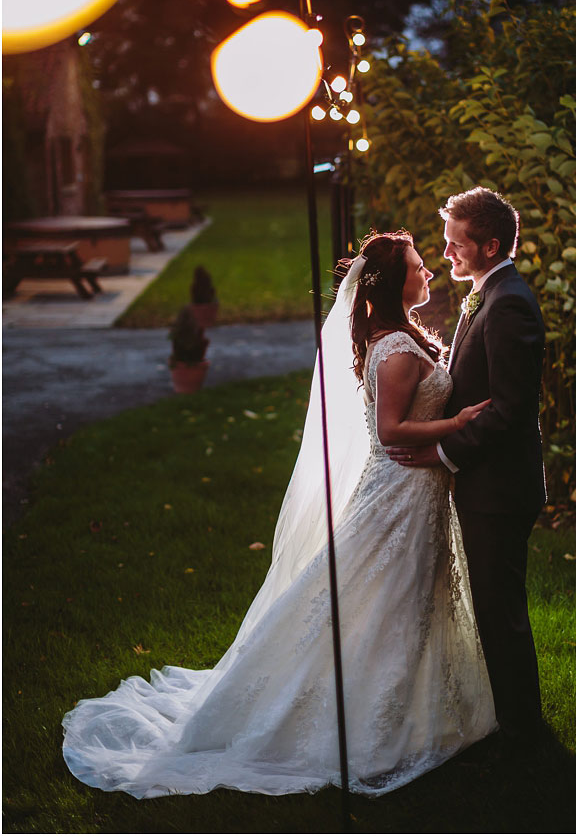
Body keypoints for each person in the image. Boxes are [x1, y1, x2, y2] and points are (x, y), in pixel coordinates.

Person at [62, 230, 498, 796]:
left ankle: (410, 712)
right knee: (386, 597)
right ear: (394, 284)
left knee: (403, 600)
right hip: (400, 494)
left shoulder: (397, 339)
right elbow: (391, 431)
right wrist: (457, 425)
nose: (427, 274)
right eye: (418, 267)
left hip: (415, 491)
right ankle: (369, 723)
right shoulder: (393, 351)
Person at [388, 186, 548, 742]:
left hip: (500, 489)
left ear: (490, 245)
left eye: (457, 244)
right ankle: (515, 722)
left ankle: (523, 732)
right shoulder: (487, 293)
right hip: (485, 485)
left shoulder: (509, 304)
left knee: (500, 613)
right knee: (494, 607)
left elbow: (508, 410)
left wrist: (440, 450)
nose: (447, 252)